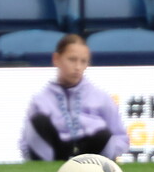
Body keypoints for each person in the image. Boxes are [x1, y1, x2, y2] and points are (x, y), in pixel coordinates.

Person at [19, 34, 130, 162]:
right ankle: (48, 169)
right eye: (72, 59)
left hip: (91, 157)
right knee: (39, 121)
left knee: (102, 135)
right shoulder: (40, 100)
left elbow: (121, 138)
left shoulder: (101, 97)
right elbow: (26, 142)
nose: (77, 67)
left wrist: (110, 152)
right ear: (56, 59)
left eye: (83, 61)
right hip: (54, 155)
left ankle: (90, 169)